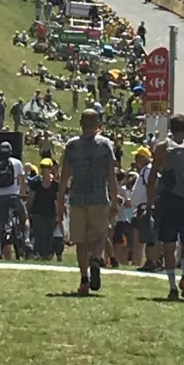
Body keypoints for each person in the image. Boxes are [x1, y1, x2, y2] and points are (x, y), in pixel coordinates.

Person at [57, 108, 119, 296]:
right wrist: (114, 199)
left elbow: (64, 175)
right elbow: (111, 175)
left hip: (77, 197)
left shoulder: (72, 145)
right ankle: (96, 258)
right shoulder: (105, 145)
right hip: (98, 196)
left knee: (80, 240)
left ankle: (84, 279)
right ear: (98, 124)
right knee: (100, 235)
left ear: (81, 124)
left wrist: (60, 199)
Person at [147, 114, 184, 301]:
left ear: (170, 128)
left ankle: (172, 286)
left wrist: (150, 202)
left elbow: (153, 176)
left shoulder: (162, 148)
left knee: (168, 244)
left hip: (167, 199)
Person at [0, 141, 30, 258]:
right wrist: (22, 193)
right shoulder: (17, 163)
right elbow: (22, 181)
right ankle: (26, 239)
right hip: (14, 196)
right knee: (24, 217)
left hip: (0, 197)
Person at [27, 159, 59, 259]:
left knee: (49, 235)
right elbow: (31, 198)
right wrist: (28, 210)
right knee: (39, 234)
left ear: (51, 169)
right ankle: (38, 253)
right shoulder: (36, 183)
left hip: (51, 213)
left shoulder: (55, 185)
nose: (45, 170)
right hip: (38, 213)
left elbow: (58, 200)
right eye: (43, 167)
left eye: (47, 167)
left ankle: (47, 254)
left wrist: (59, 214)